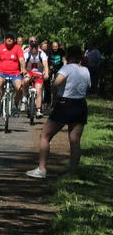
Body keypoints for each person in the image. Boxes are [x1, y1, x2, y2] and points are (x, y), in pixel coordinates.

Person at [27, 44, 90, 178]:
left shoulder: (66, 68)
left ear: (68, 56)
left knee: (45, 135)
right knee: (75, 140)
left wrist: (54, 99)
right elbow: (88, 87)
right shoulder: (85, 70)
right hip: (81, 105)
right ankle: (72, 172)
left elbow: (56, 83)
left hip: (65, 104)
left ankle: (42, 168)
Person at [0, 32, 26, 116]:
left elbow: (21, 60)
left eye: (11, 38)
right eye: (7, 37)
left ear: (14, 40)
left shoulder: (18, 48)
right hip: (2, 73)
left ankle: (15, 106)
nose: (9, 39)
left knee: (19, 88)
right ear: (4, 39)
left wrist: (23, 68)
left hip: (15, 73)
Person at [22, 37, 49, 117]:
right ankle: (24, 96)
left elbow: (45, 65)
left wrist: (46, 73)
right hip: (29, 72)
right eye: (32, 47)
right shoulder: (27, 54)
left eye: (35, 47)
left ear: (38, 47)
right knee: (26, 80)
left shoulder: (42, 54)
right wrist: (23, 70)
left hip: (39, 73)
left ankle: (38, 110)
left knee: (39, 89)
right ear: (30, 47)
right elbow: (23, 64)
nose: (34, 49)